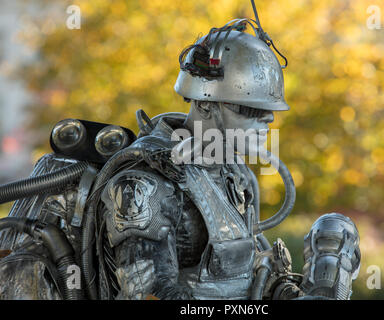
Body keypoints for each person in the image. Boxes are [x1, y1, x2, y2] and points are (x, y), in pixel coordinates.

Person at [0, 19, 360, 300]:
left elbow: (240, 275)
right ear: (204, 103)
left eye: (269, 112)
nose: (267, 121)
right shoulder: (143, 186)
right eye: (251, 109)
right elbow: (150, 294)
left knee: (335, 232)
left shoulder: (230, 172)